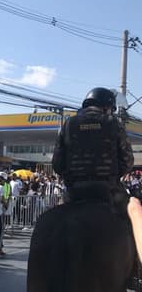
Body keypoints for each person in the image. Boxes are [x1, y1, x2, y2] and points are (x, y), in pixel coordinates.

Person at [52, 87, 133, 215]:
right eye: (112, 109)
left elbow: (57, 164)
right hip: (109, 191)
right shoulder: (114, 123)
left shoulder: (69, 124)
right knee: (132, 216)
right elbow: (127, 161)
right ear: (107, 107)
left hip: (74, 191)